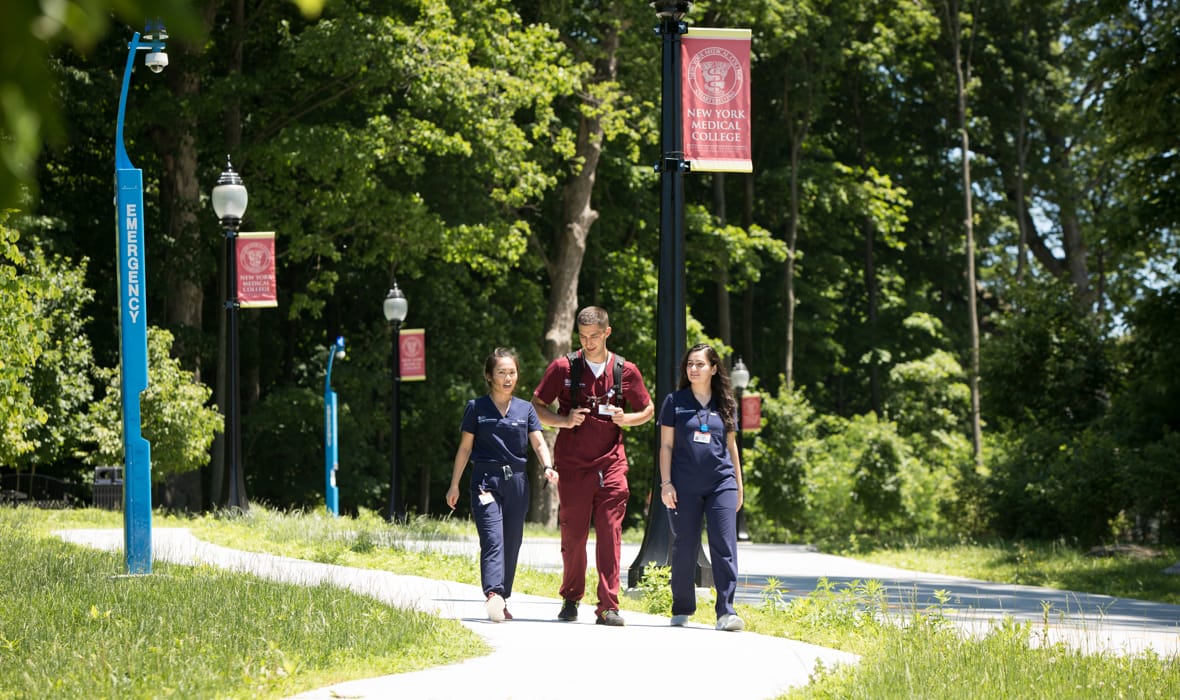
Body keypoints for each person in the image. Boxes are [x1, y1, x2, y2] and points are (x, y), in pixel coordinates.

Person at [532, 306, 653, 626]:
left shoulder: (626, 371)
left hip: (612, 464)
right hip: (573, 465)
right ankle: (571, 597)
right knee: (573, 538)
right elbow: (537, 407)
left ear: (607, 333)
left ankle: (609, 606)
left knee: (610, 534)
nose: (588, 342)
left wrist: (627, 419)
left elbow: (648, 409)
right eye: (583, 337)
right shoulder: (564, 368)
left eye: (594, 336)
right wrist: (564, 420)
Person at [447, 347, 558, 622]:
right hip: (485, 480)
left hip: (517, 482)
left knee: (512, 541)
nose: (508, 378)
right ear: (489, 376)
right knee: (493, 538)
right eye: (501, 373)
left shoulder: (526, 408)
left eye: (512, 372)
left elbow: (538, 441)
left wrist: (548, 466)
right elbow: (464, 449)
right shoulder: (476, 408)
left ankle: (502, 597)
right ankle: (493, 594)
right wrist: (454, 485)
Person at [657, 343, 745, 631]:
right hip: (684, 485)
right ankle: (682, 607)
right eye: (690, 365)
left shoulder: (726, 403)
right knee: (685, 546)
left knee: (724, 545)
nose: (693, 369)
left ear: (714, 368)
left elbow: (732, 448)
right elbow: (666, 446)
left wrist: (739, 487)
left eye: (700, 364)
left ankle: (726, 612)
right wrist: (666, 483)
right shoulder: (675, 401)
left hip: (722, 482)